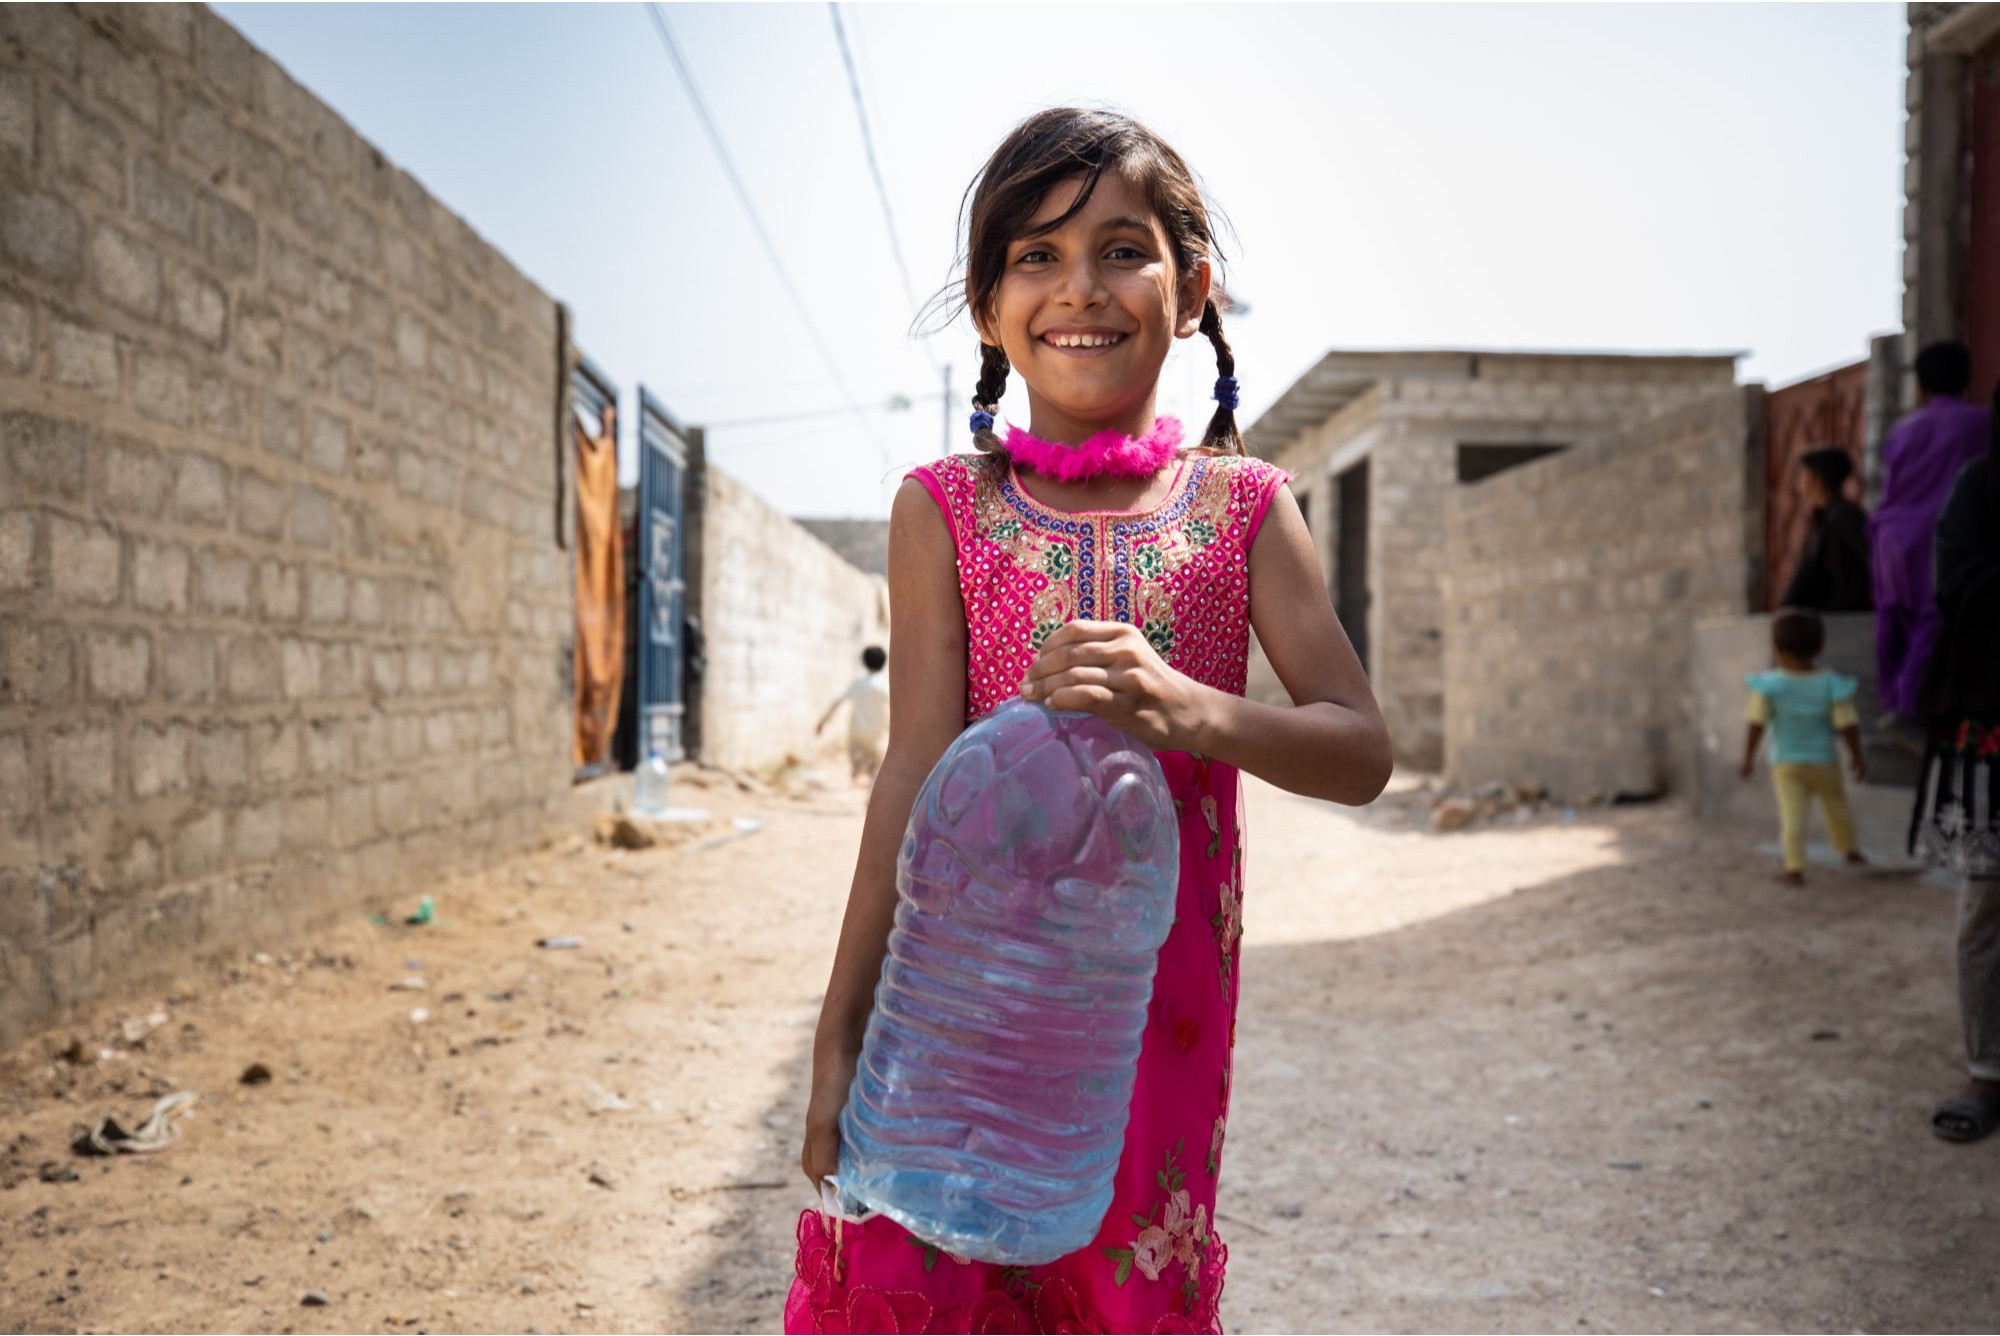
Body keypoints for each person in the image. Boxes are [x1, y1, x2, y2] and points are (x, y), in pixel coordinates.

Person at [787, 108, 1391, 1335]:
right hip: (954, 1000)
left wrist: (1191, 709)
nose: (1081, 288)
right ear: (988, 306)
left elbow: (1359, 748)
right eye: (1035, 255)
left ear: (1191, 287)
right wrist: (837, 1031)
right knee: (934, 1277)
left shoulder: (1244, 510)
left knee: (1120, 1287)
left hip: (1152, 1007)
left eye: (1122, 249)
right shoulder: (942, 510)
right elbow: (909, 768)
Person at [1910, 392, 2000, 1143]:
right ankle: (1988, 1070)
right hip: (1994, 725)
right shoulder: (1980, 488)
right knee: (1988, 903)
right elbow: (1961, 587)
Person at [1869, 341, 1989, 720]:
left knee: (1894, 625)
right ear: (1968, 379)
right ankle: (1910, 708)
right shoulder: (1982, 423)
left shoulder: (1903, 431)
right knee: (1931, 622)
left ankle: (1892, 703)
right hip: (1937, 538)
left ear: (1920, 386)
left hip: (1891, 538)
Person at [1740, 607, 1868, 885]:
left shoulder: (1770, 685)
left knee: (1793, 815)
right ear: (1819, 647)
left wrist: (1748, 758)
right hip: (1824, 760)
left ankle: (1794, 867)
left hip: (1786, 763)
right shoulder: (1831, 682)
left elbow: (1756, 723)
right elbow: (1847, 723)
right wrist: (1857, 757)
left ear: (1776, 647)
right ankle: (1850, 851)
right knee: (1837, 805)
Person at [1778, 446, 1871, 613]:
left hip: (1845, 623)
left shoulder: (1845, 516)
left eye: (1803, 474)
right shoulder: (1824, 519)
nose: (1799, 481)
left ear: (1816, 478)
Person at [816, 645, 890, 786]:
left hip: (857, 731)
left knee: (857, 758)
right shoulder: (884, 685)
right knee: (876, 764)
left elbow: (837, 702)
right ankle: (870, 789)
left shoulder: (858, 684)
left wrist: (823, 721)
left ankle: (858, 773)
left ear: (864, 662)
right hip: (877, 732)